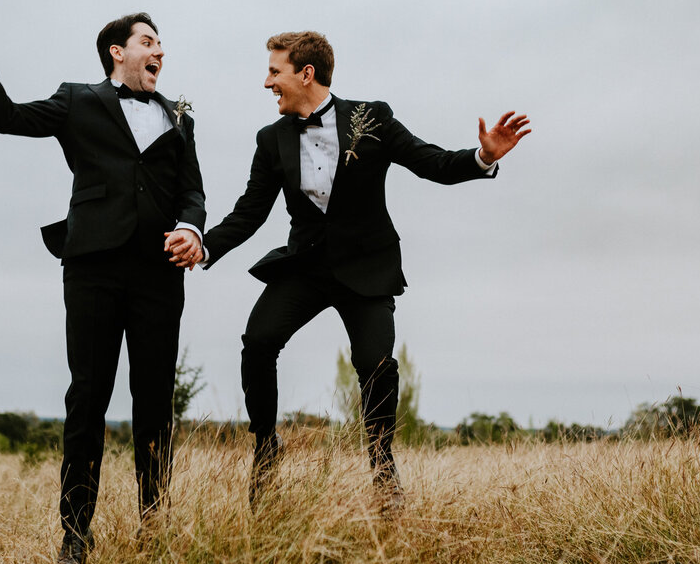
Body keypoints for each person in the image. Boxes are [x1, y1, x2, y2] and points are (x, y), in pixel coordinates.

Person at [201, 30, 529, 511]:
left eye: (274, 72)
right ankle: (266, 447)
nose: (267, 83)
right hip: (306, 266)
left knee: (376, 366)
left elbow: (433, 163)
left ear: (306, 73)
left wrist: (483, 157)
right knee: (259, 342)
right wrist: (204, 246)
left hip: (367, 268)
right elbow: (250, 211)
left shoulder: (371, 118)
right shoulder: (270, 140)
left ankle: (382, 464)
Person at [0, 0, 206, 564]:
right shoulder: (78, 100)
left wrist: (192, 228)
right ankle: (75, 538)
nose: (159, 51)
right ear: (117, 52)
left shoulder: (180, 117)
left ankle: (155, 530)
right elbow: (5, 117)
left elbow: (192, 189)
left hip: (159, 274)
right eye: (147, 41)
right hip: (93, 268)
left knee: (154, 402)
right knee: (88, 399)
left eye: (161, 43)